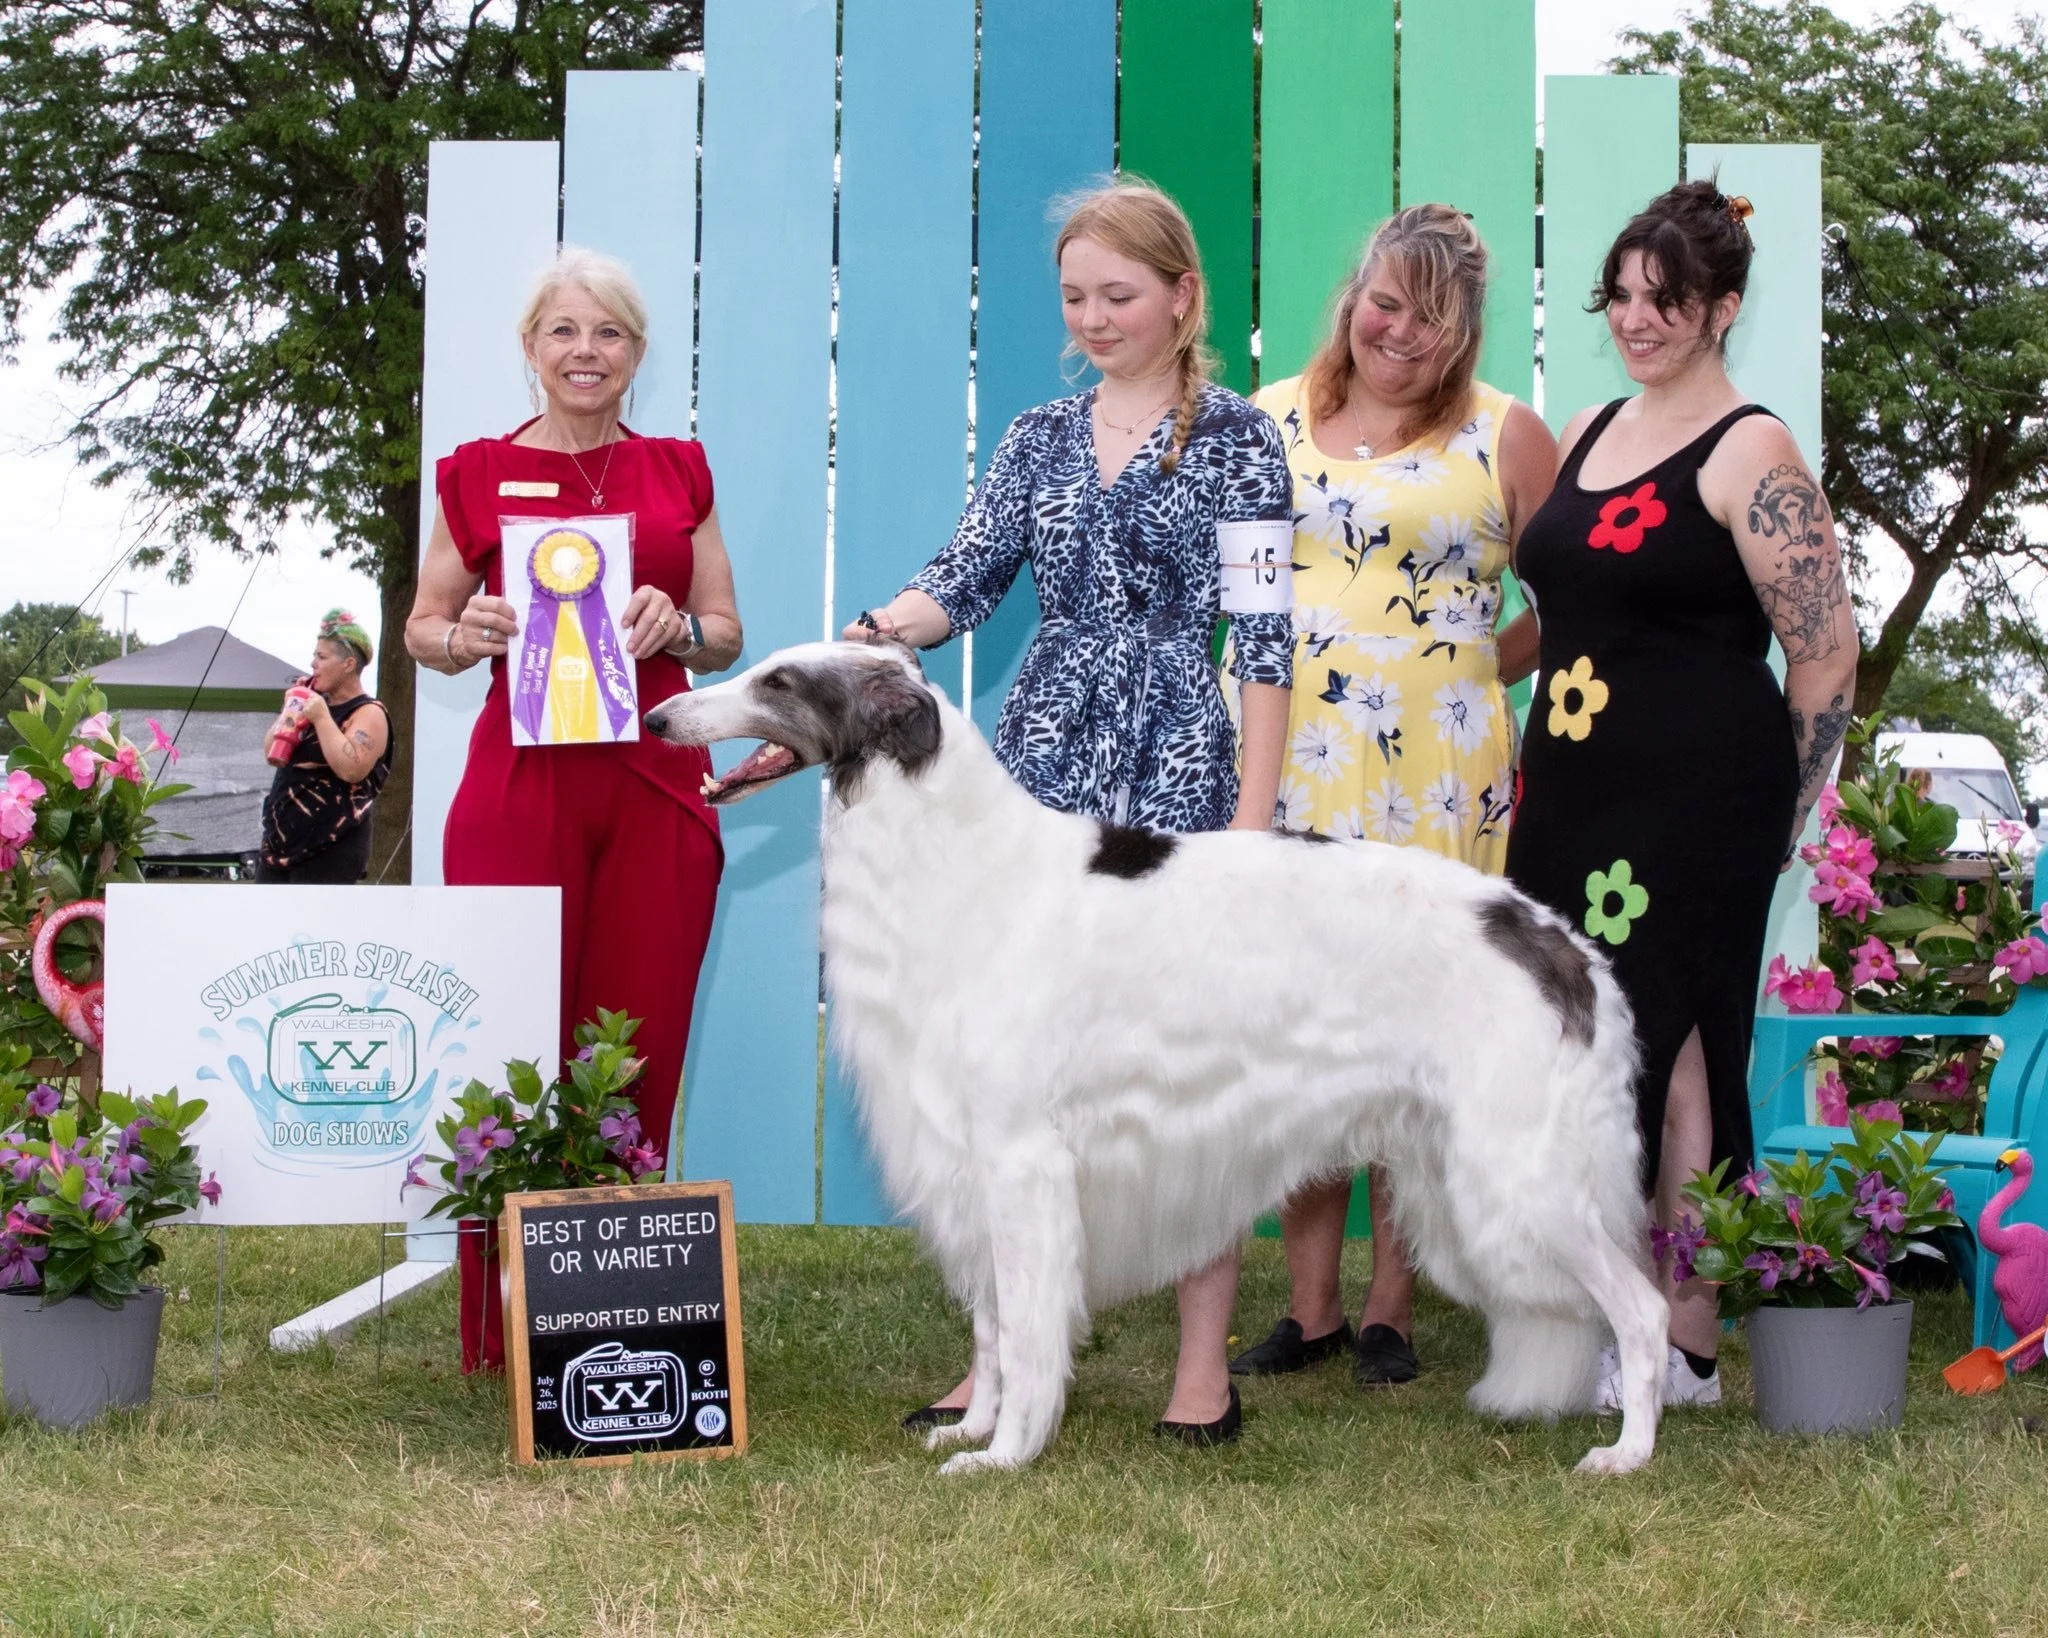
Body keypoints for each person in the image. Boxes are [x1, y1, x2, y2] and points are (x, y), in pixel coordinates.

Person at [845, 180, 1293, 1444]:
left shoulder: (1244, 440)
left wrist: (1249, 829)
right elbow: (964, 577)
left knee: (1192, 1066)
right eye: (1074, 298)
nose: (1093, 318)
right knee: (1006, 1072)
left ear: (1181, 296)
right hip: (1037, 763)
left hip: (1180, 775)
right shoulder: (1036, 437)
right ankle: (994, 1356)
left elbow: (1261, 641)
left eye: (1118, 295)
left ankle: (1200, 1368)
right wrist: (870, 640)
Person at [1505, 182, 1859, 1407]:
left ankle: (1690, 1339)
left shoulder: (1751, 447)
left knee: (1681, 1045)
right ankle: (1609, 1304)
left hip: (1696, 801)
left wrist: (1783, 820)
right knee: (1591, 1043)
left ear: (1721, 310)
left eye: (1665, 301)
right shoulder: (1593, 422)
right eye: (1620, 295)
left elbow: (1822, 652)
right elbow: (1559, 613)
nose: (1635, 319)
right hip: (1568, 792)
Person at [1225, 205, 1558, 1391]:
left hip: (1437, 769)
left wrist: (1467, 668)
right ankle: (1306, 1307)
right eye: (1384, 302)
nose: (1399, 332)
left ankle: (1391, 1305)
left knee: (1414, 1028)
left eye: (1431, 316)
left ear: (1462, 330)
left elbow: (1571, 597)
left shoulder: (1505, 434)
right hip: (1286, 754)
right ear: (1350, 293)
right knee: (1301, 1025)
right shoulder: (1261, 419)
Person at [405, 246, 743, 1370]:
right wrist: (473, 636)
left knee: (634, 1046)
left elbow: (725, 633)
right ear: (530, 349)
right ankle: (499, 1330)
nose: (584, 352)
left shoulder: (677, 470)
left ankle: (613, 1322)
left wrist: (675, 630)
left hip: (653, 782)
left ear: (636, 352)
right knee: (509, 1047)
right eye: (563, 331)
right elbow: (422, 630)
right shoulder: (475, 473)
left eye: (606, 333)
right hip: (519, 788)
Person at [256, 609, 393, 884]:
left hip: (330, 849)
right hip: (279, 846)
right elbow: (272, 754)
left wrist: (320, 717)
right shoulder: (313, 703)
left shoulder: (369, 713)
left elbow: (352, 769)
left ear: (348, 664)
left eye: (322, 657)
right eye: (314, 656)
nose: (313, 664)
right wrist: (290, 711)